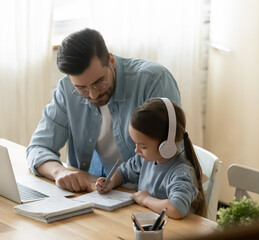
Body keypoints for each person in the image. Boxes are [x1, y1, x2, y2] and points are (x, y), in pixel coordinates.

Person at [26, 28, 181, 192]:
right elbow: (38, 148)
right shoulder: (66, 89)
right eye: (82, 88)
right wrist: (59, 172)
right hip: (96, 192)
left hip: (147, 195)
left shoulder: (154, 81)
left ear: (111, 60)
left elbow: (165, 155)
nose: (93, 94)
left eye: (99, 82)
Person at [95, 98, 206, 219]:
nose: (136, 150)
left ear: (166, 146)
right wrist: (111, 182)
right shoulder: (145, 159)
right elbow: (124, 172)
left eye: (143, 146)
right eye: (135, 144)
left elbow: (176, 208)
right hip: (151, 224)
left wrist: (146, 199)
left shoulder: (181, 173)